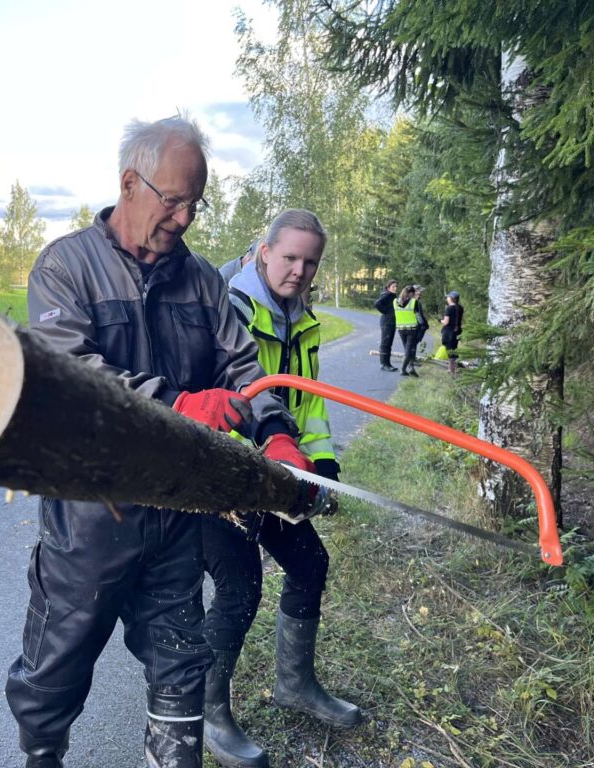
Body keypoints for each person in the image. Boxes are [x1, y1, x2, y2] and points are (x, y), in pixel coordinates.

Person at [7, 115, 308, 768]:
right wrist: (178, 405)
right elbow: (73, 380)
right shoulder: (67, 268)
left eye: (195, 204)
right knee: (55, 668)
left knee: (180, 661)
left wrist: (277, 435)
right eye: (173, 199)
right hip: (89, 522)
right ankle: (41, 755)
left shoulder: (201, 282)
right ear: (129, 183)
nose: (184, 217)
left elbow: (245, 370)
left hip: (175, 519)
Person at [201, 210, 361, 768]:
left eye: (310, 261)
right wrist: (254, 463)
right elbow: (218, 395)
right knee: (240, 588)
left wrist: (320, 463)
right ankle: (210, 717)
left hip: (280, 468)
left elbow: (307, 402)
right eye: (289, 257)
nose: (298, 270)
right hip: (224, 474)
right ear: (263, 252)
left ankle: (295, 685)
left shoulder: (304, 318)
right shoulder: (229, 308)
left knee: (310, 564)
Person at [394, 285, 420, 377]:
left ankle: (411, 367)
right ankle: (403, 369)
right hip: (411, 329)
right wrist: (423, 326)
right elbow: (418, 316)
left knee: (407, 349)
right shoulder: (413, 302)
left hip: (401, 329)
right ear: (412, 293)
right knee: (409, 350)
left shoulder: (395, 302)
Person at [373, 279, 398, 371]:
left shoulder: (393, 296)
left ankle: (388, 363)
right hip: (386, 322)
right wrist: (386, 312)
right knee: (385, 343)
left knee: (389, 344)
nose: (395, 288)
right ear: (388, 288)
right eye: (393, 287)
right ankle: (384, 364)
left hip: (392, 322)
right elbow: (377, 303)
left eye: (396, 286)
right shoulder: (387, 295)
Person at [441, 290, 464, 375]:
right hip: (457, 331)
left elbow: (446, 322)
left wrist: (440, 321)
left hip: (449, 332)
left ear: (451, 298)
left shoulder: (449, 308)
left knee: (450, 351)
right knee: (454, 348)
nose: (447, 298)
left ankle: (452, 369)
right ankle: (455, 367)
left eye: (448, 297)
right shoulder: (460, 308)